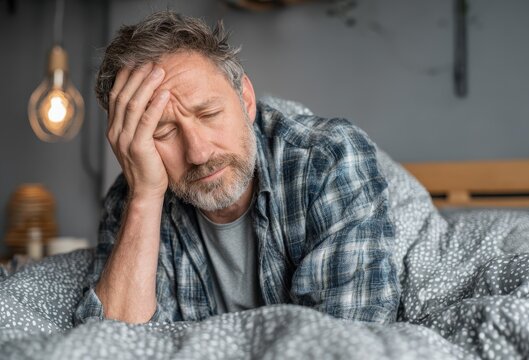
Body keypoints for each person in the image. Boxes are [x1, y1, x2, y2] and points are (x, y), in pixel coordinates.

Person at [74, 10, 400, 325]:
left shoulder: (328, 159)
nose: (199, 153)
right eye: (164, 132)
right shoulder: (132, 200)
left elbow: (350, 334)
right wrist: (144, 197)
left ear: (245, 98)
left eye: (208, 114)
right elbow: (111, 342)